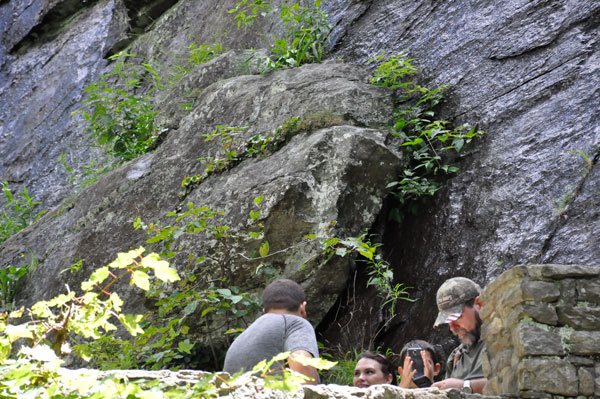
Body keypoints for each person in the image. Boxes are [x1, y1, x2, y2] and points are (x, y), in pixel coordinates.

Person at [223, 279, 319, 384]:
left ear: (264, 311)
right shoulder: (295, 323)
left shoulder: (246, 334)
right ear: (302, 308)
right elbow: (301, 360)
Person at [430, 277, 487, 394]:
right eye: (448, 321)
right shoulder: (456, 357)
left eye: (456, 317)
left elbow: (518, 382)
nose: (452, 327)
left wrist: (465, 386)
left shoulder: (508, 340)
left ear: (479, 304)